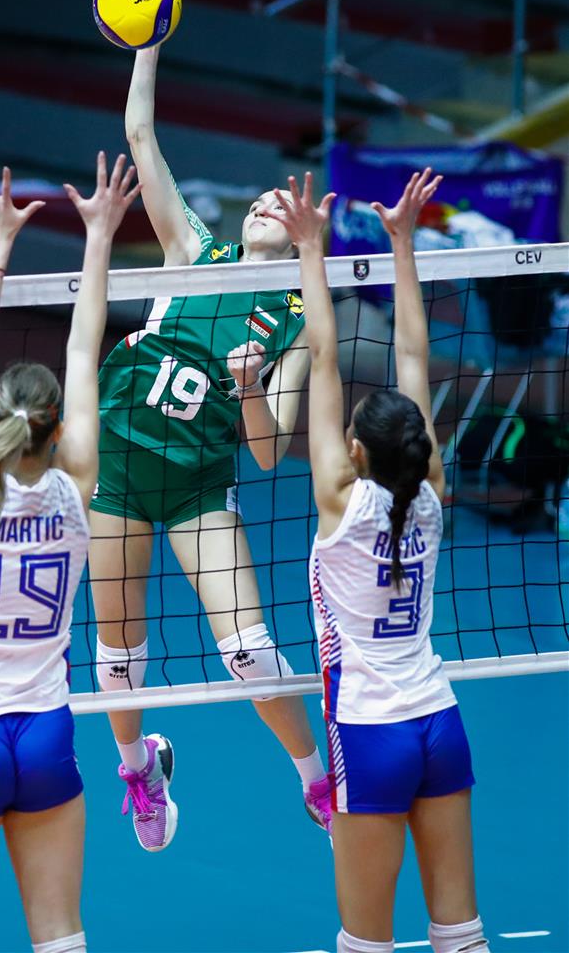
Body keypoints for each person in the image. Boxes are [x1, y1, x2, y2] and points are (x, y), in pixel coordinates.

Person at [88, 44, 330, 854]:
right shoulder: (193, 252)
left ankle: (317, 782)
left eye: (278, 204)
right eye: (257, 198)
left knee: (250, 653)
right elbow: (141, 134)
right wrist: (148, 47)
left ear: (300, 236)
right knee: (117, 660)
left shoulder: (298, 324)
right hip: (118, 473)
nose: (262, 203)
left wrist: (252, 387)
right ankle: (140, 770)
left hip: (199, 487)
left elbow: (266, 453)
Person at [0, 153, 141, 953]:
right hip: (45, 730)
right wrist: (100, 237)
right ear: (57, 431)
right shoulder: (78, 488)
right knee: (60, 937)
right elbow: (84, 350)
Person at [266, 167, 490, 953]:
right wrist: (403, 244)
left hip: (370, 733)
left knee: (366, 943)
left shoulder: (340, 501)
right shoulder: (432, 492)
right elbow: (415, 356)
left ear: (355, 450)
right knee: (462, 934)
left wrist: (310, 250)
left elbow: (324, 359)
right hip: (439, 719)